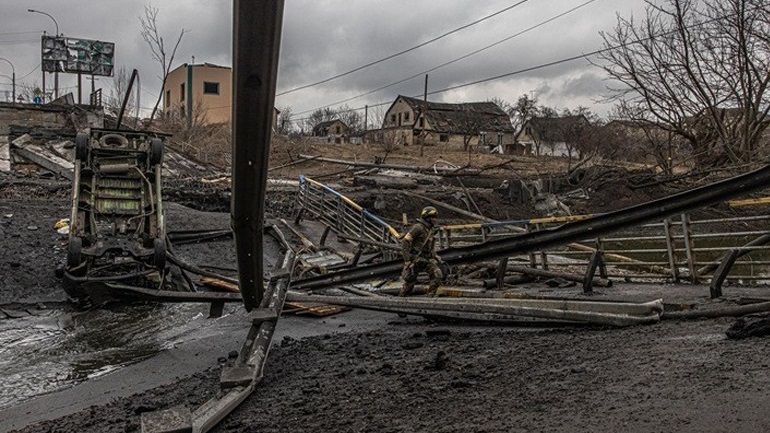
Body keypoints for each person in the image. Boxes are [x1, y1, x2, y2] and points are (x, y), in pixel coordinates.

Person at [399, 206, 443, 297]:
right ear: (427, 218)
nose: (435, 220)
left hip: (426, 259)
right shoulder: (418, 228)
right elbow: (405, 242)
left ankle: (430, 298)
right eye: (433, 217)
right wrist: (407, 260)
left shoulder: (429, 230)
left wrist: (435, 255)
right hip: (416, 259)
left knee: (437, 275)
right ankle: (400, 301)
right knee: (409, 284)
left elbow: (428, 246)